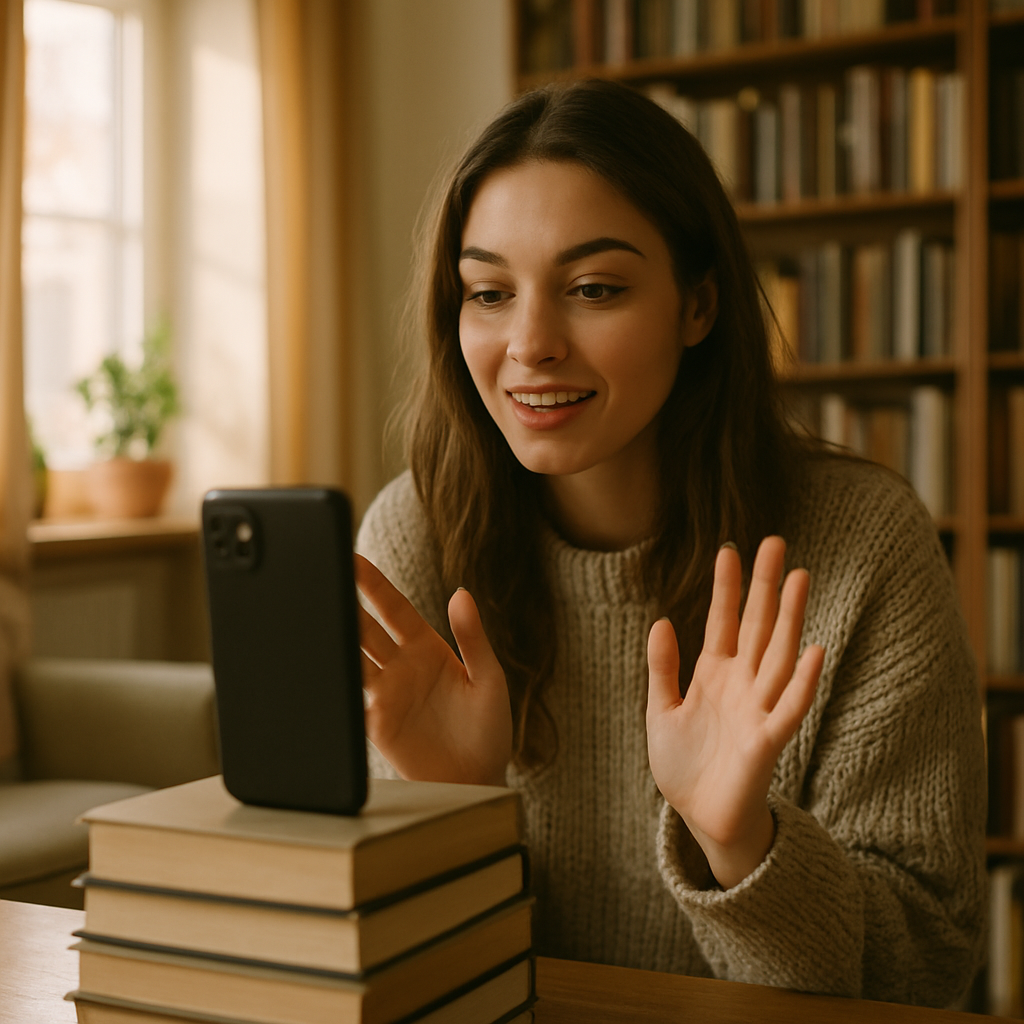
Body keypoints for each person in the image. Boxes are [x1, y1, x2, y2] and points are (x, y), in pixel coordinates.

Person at [354, 79, 986, 1007]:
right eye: (488, 292)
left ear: (698, 307)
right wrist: (455, 819)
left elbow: (923, 971)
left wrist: (742, 843)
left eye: (594, 289)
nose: (529, 343)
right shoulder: (412, 539)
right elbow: (393, 977)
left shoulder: (861, 549)